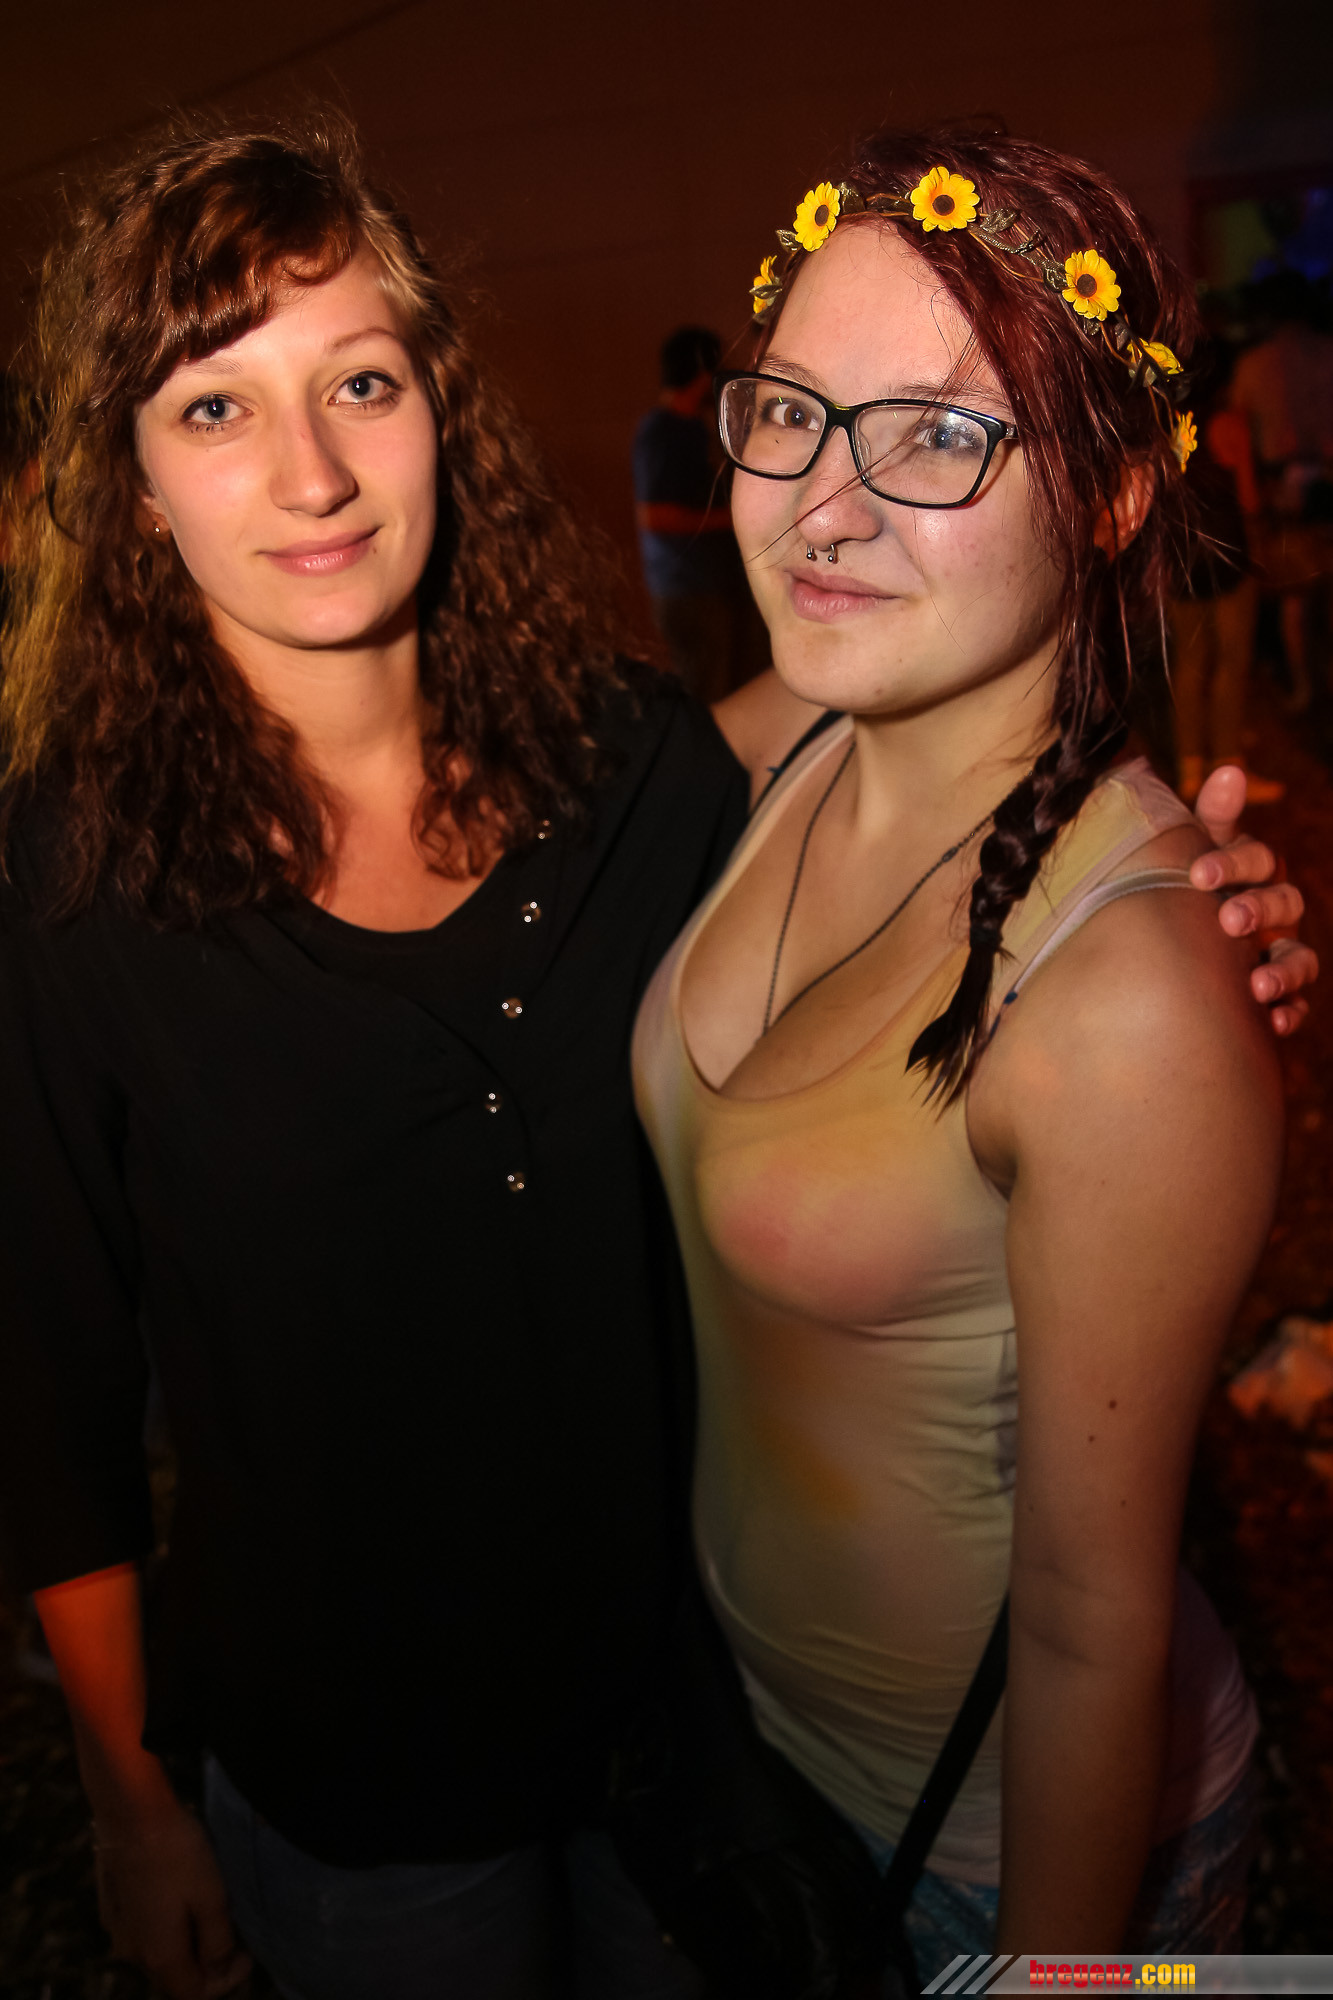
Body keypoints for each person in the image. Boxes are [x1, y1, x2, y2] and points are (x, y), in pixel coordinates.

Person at [0, 114, 1312, 2000]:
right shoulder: (73, 882)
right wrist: (131, 1803)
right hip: (374, 1783)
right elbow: (49, 1394)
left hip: (694, 1759)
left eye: (359, 382)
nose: (309, 473)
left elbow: (975, 754)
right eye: (214, 409)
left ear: (438, 406)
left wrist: (1188, 914)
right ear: (128, 482)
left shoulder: (625, 762)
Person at [632, 131, 1306, 1967]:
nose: (822, 510)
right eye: (793, 412)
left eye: (938, 435)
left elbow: (1090, 1627)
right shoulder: (792, 734)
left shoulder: (1121, 998)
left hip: (999, 1855)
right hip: (756, 1758)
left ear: (1112, 492)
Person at [632, 326, 761, 702]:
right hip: (689, 589)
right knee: (710, 699)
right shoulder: (661, 431)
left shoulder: (697, 427)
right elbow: (655, 517)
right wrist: (734, 517)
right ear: (703, 369)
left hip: (714, 585)